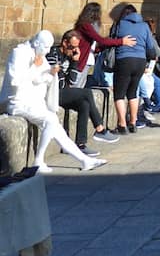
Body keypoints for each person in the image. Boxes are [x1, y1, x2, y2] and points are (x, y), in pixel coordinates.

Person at [1, 31, 106, 173]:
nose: (46, 51)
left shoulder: (40, 56)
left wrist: (50, 73)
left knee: (58, 129)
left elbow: (40, 79)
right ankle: (38, 161)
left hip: (33, 102)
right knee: (50, 119)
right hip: (16, 102)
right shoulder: (19, 53)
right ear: (37, 43)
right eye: (45, 47)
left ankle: (84, 160)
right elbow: (16, 80)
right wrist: (35, 68)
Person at [51, 30, 120, 154]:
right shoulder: (53, 54)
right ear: (64, 43)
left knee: (84, 104)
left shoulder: (71, 55)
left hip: (62, 91)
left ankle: (80, 144)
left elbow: (72, 81)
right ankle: (99, 128)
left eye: (76, 48)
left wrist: (75, 61)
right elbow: (60, 84)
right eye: (72, 47)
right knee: (86, 93)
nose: (74, 50)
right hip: (51, 93)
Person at [113, 3, 158, 133]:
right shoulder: (144, 26)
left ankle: (122, 124)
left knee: (119, 94)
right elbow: (150, 47)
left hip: (124, 59)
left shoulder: (119, 24)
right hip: (140, 61)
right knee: (133, 92)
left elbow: (112, 40)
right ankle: (133, 122)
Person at [73, 2, 136, 81]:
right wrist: (121, 41)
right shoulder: (86, 26)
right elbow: (100, 40)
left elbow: (97, 43)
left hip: (86, 59)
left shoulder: (86, 25)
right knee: (76, 86)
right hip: (81, 60)